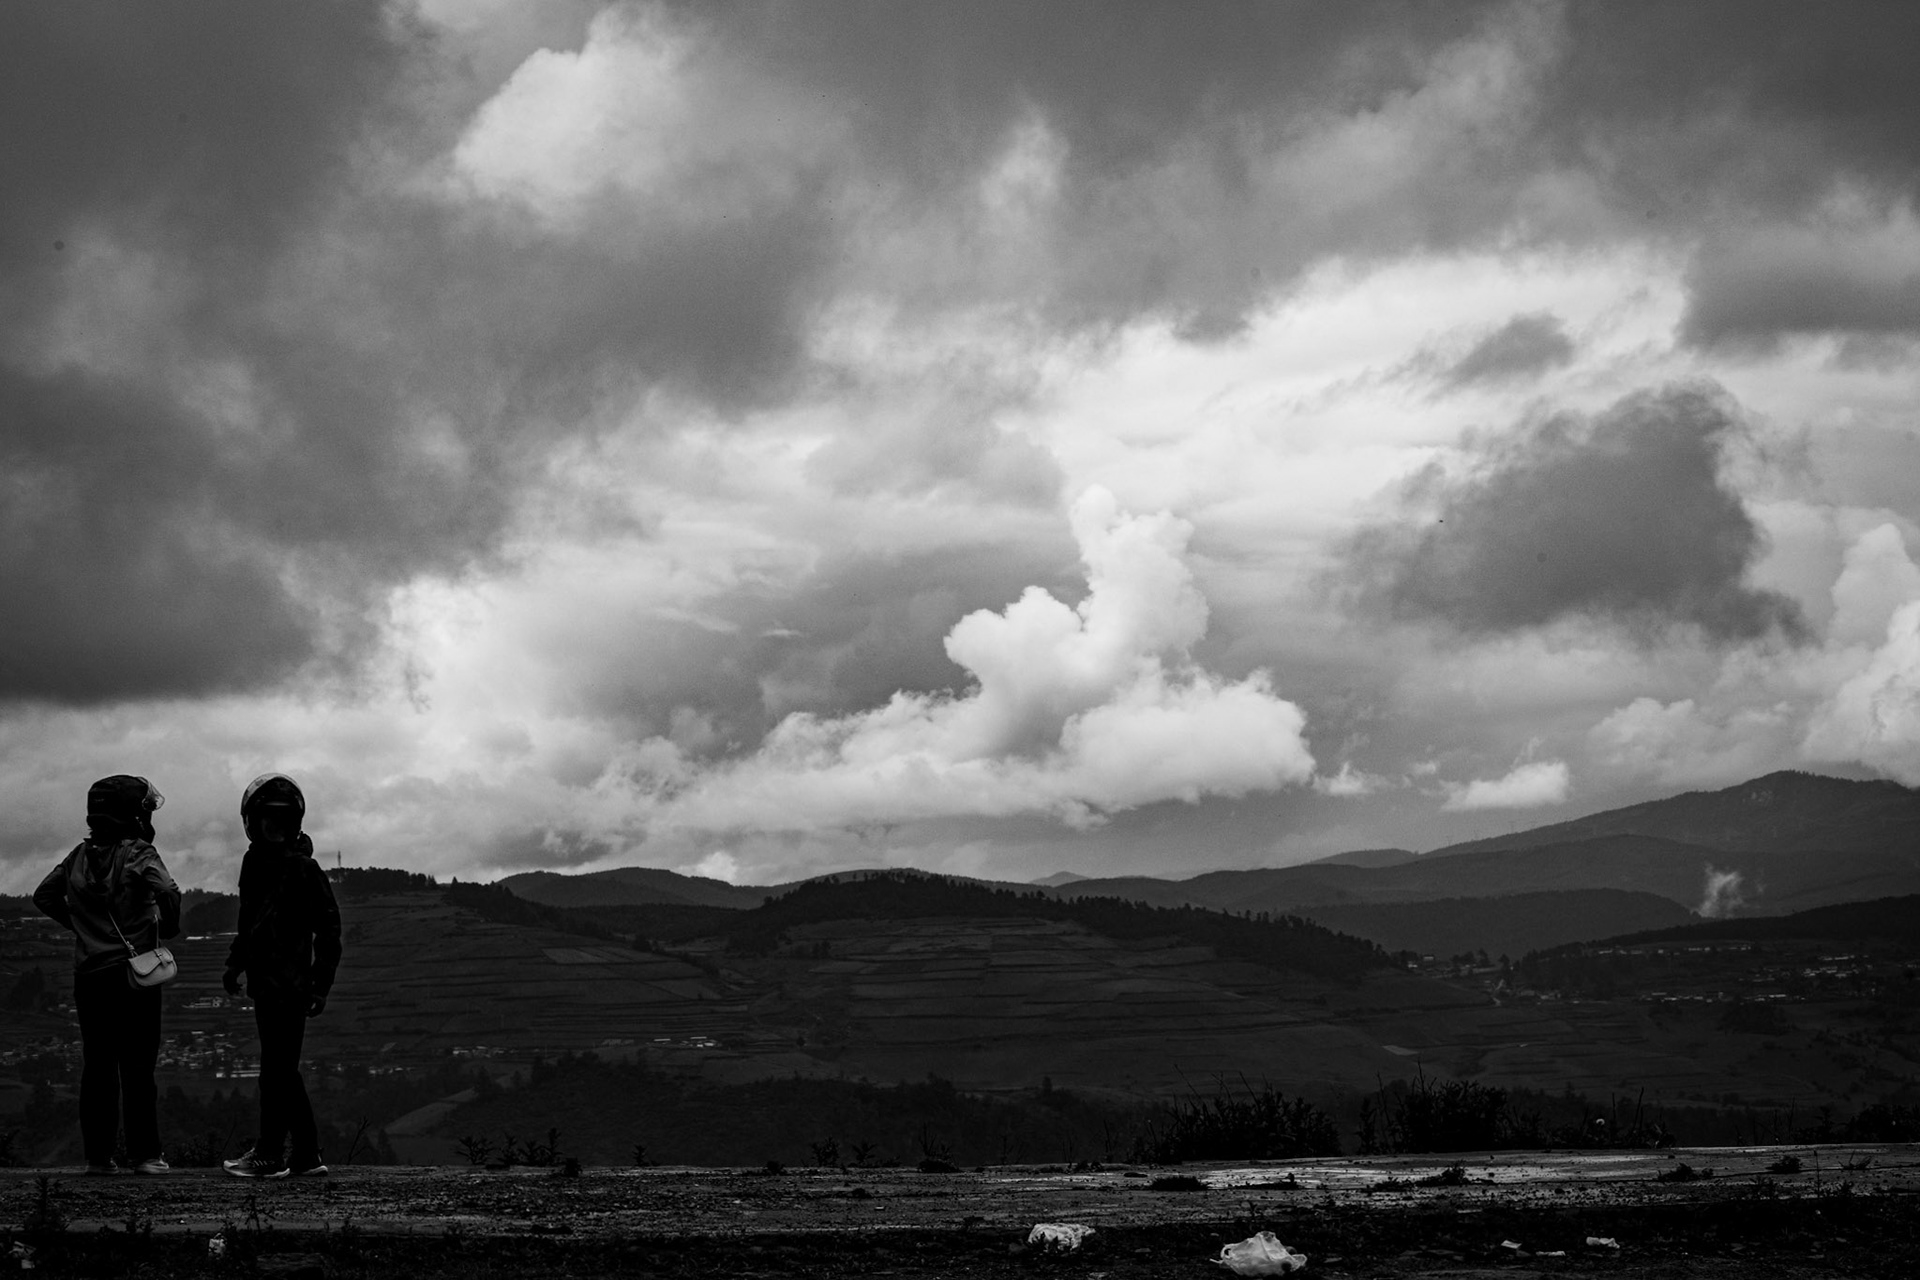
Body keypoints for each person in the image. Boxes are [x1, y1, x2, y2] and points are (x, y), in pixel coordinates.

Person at [32, 775, 181, 1175]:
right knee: (137, 1067)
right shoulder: (139, 853)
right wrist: (167, 927)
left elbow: (42, 895)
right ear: (134, 814)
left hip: (90, 976)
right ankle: (145, 1155)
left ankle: (98, 1157)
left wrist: (78, 925)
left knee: (97, 1066)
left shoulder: (77, 857)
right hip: (135, 976)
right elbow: (168, 892)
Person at [221, 773, 342, 1178]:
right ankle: (304, 1155)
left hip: (290, 986)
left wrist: (319, 985)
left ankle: (273, 1154)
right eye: (268, 821)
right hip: (265, 985)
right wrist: (235, 963)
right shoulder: (253, 864)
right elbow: (248, 920)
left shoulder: (305, 869)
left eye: (281, 821)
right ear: (254, 823)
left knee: (277, 1072)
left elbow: (329, 930)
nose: (274, 829)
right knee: (280, 1071)